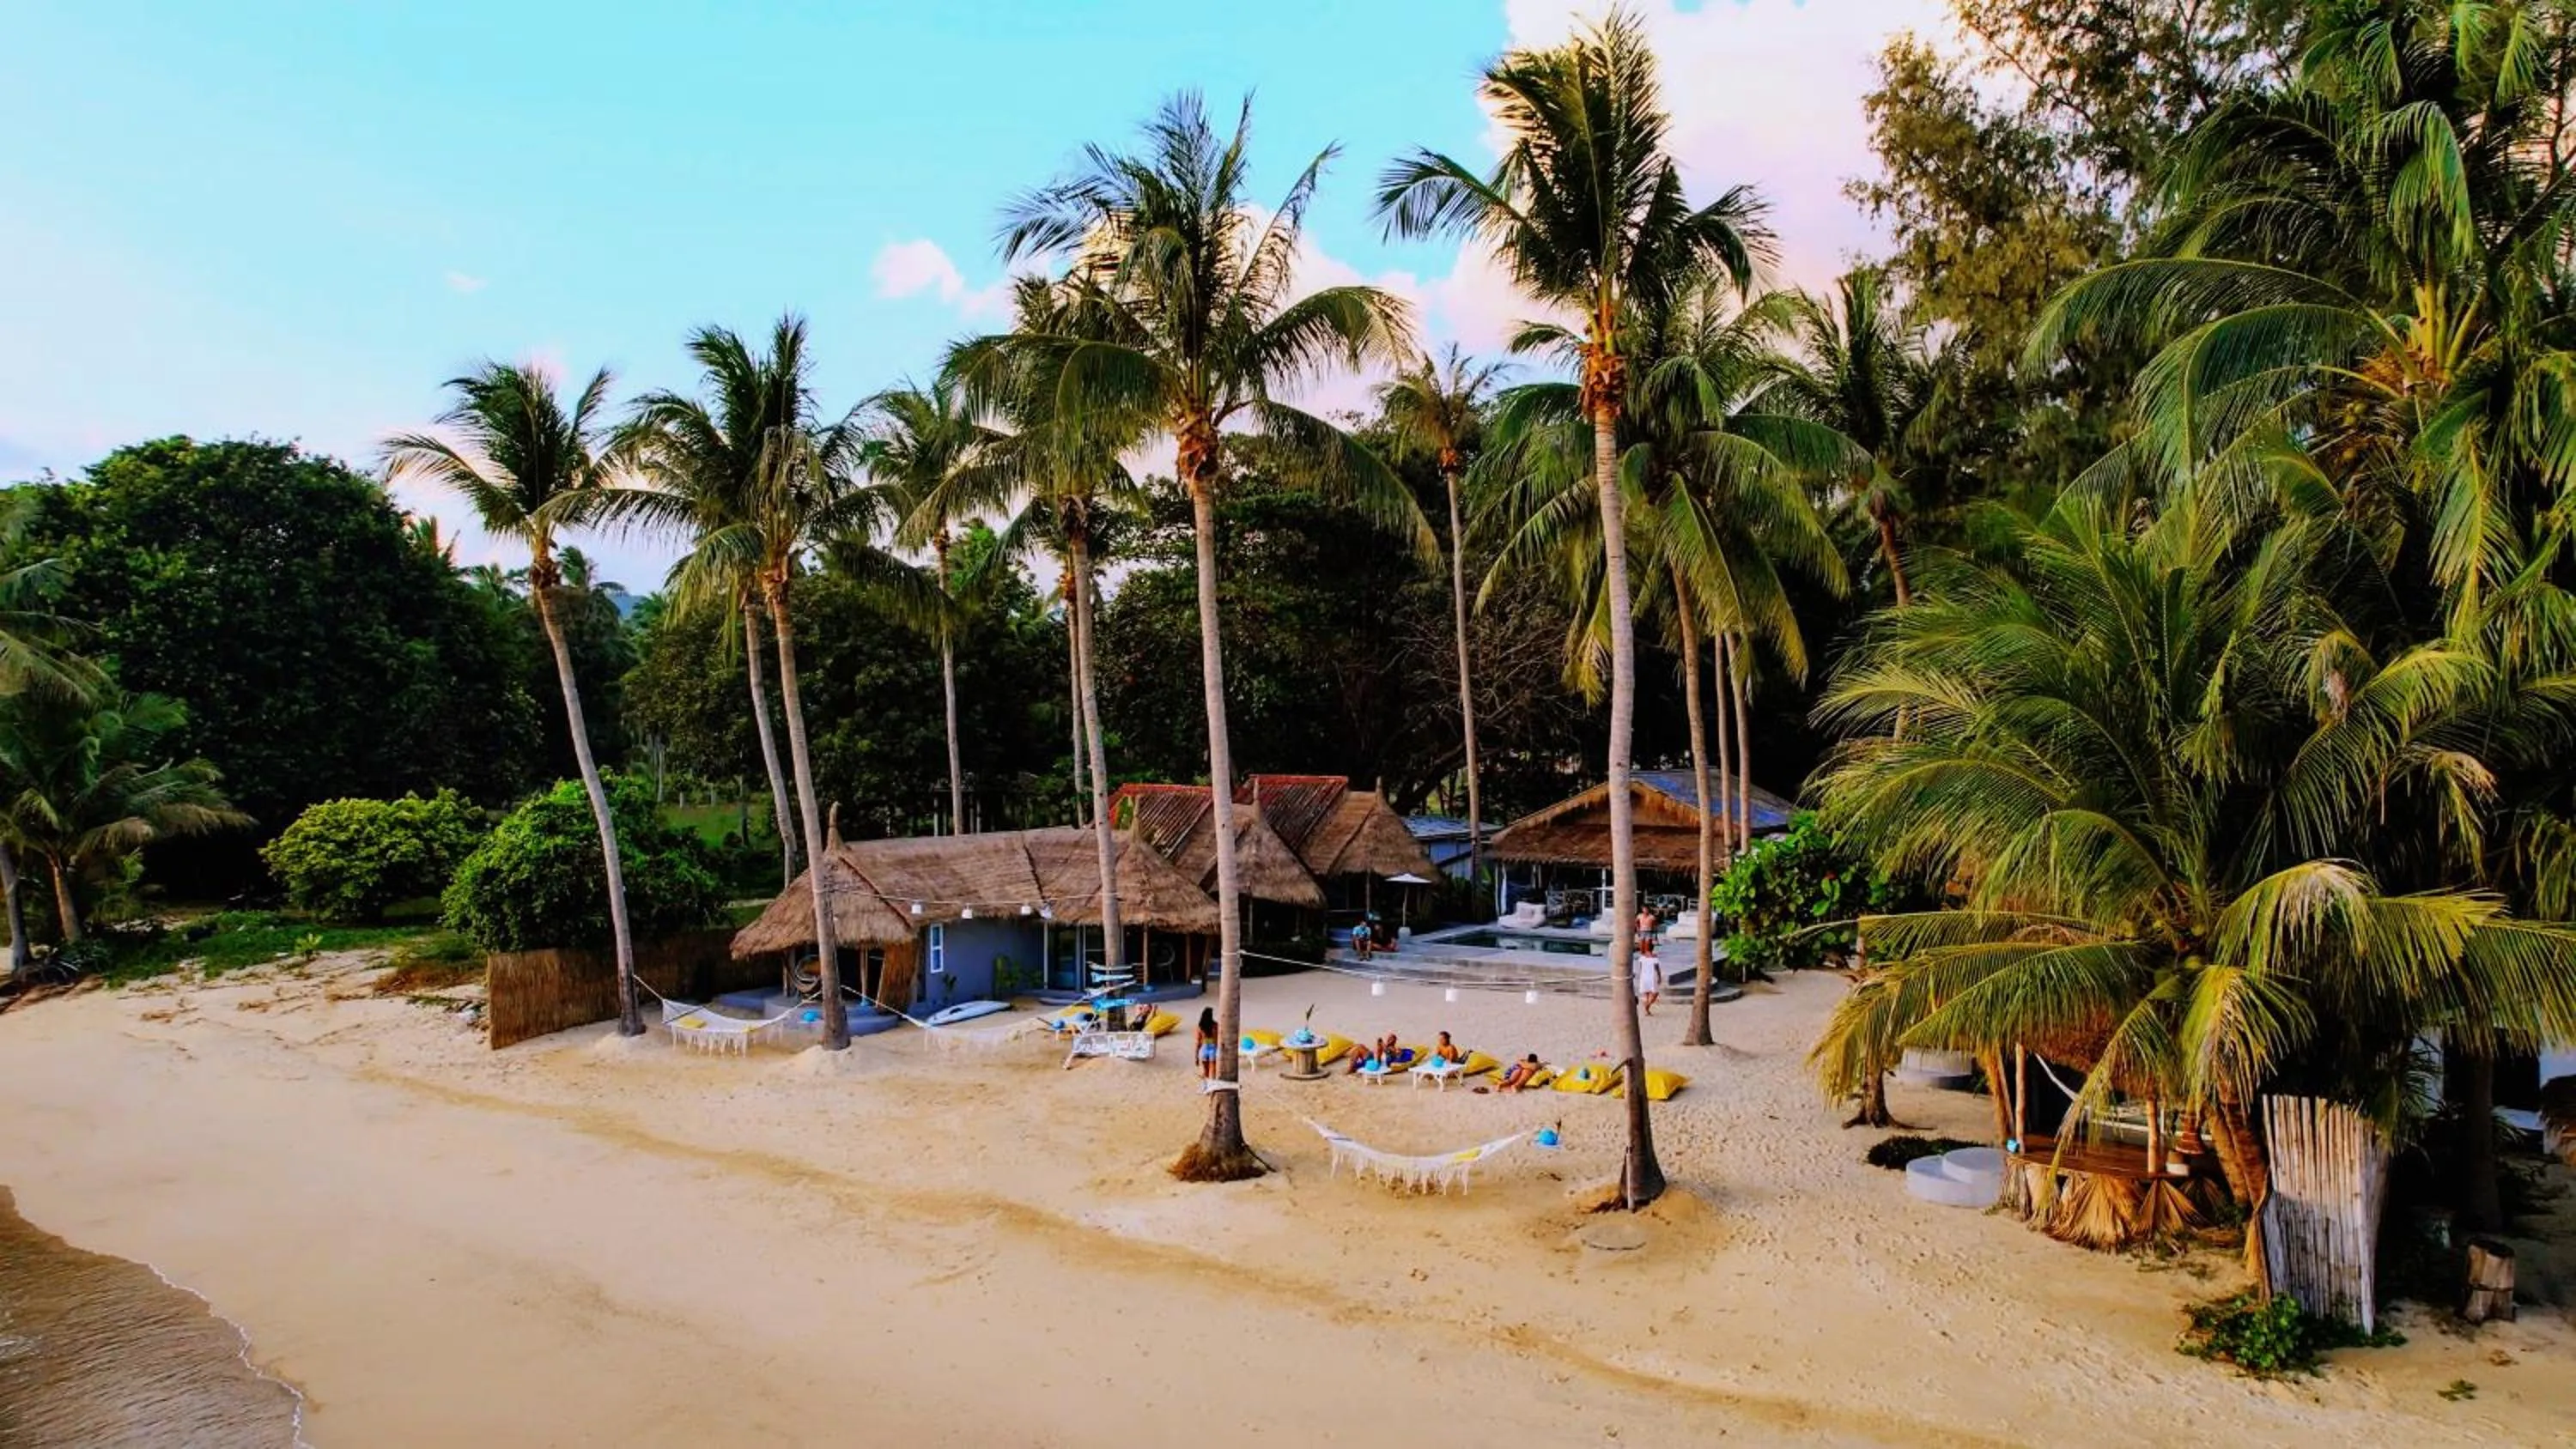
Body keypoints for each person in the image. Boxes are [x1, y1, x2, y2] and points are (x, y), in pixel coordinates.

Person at [1635, 944, 1665, 1016]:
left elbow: (1641, 967)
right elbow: (1657, 969)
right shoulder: (1654, 958)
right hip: (1651, 976)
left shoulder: (1642, 957)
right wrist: (1659, 977)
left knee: (1647, 994)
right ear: (1653, 949)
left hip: (1644, 976)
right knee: (1655, 993)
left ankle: (1647, 1010)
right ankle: (1647, 1007)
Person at [1194, 1008, 1219, 1080]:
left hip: (1204, 1048)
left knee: (1205, 1071)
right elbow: (1218, 1038)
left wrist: (1196, 1056)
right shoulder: (1215, 1025)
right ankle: (1212, 1086)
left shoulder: (1200, 1027)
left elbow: (1198, 1042)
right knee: (1213, 1070)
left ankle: (1206, 1086)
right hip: (1213, 1048)